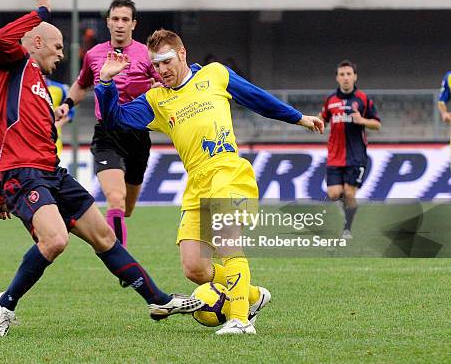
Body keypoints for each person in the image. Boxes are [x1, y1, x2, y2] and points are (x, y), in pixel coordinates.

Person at [0, 0, 202, 337]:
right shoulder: (13, 65)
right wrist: (40, 13)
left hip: (51, 172)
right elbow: (0, 39)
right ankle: (5, 304)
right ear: (36, 43)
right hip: (25, 175)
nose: (61, 56)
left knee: (104, 236)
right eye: (58, 48)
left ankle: (157, 299)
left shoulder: (39, 85)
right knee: (56, 240)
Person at [94, 29, 324, 335]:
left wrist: (299, 118)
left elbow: (256, 98)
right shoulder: (156, 100)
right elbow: (114, 119)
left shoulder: (215, 75)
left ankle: (241, 320)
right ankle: (252, 296)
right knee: (194, 267)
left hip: (227, 170)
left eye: (166, 61)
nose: (162, 70)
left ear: (182, 54)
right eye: (156, 65)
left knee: (227, 241)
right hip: (197, 181)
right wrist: (106, 82)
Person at [55, 0, 162, 254]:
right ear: (108, 22)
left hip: (137, 135)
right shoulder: (94, 54)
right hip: (106, 133)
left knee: (127, 208)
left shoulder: (146, 55)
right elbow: (82, 85)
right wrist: (66, 105)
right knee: (115, 198)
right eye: (115, 19)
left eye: (125, 19)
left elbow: (163, 83)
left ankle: (115, 233)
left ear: (134, 24)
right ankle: (122, 262)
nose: (120, 24)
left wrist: (158, 88)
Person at [320, 60, 381, 239]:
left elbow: (377, 124)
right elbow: (323, 119)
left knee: (348, 192)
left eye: (349, 74)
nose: (346, 78)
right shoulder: (330, 100)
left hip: (356, 156)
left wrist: (363, 121)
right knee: (333, 194)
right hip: (334, 154)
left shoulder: (363, 99)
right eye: (342, 75)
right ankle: (349, 210)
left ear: (355, 77)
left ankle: (347, 228)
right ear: (337, 78)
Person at [44, 76, 74, 155]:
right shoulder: (26, 88)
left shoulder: (60, 88)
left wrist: (55, 125)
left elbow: (70, 112)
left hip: (53, 141)